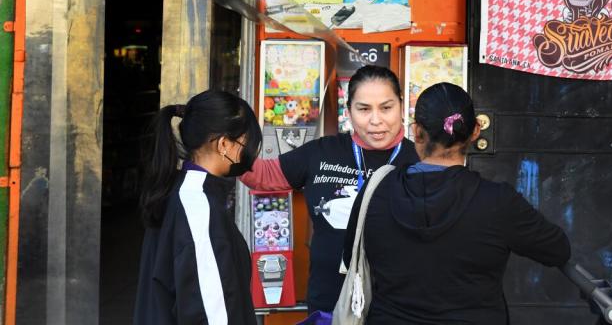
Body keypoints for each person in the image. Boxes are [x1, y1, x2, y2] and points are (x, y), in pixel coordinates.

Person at [342, 82, 571, 324]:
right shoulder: (498, 202)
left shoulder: (377, 190)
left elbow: (350, 258)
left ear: (416, 132)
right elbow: (558, 249)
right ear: (475, 131)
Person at [241, 65, 418, 324]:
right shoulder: (322, 152)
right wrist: (219, 145)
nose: (376, 120)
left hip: (401, 305)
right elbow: (262, 175)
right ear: (349, 111)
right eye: (364, 109)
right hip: (330, 305)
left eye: (386, 107)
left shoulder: (420, 160)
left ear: (402, 106)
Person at [134, 90, 263, 325]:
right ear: (224, 144)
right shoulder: (198, 206)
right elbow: (211, 312)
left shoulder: (180, 191)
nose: (250, 152)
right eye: (245, 143)